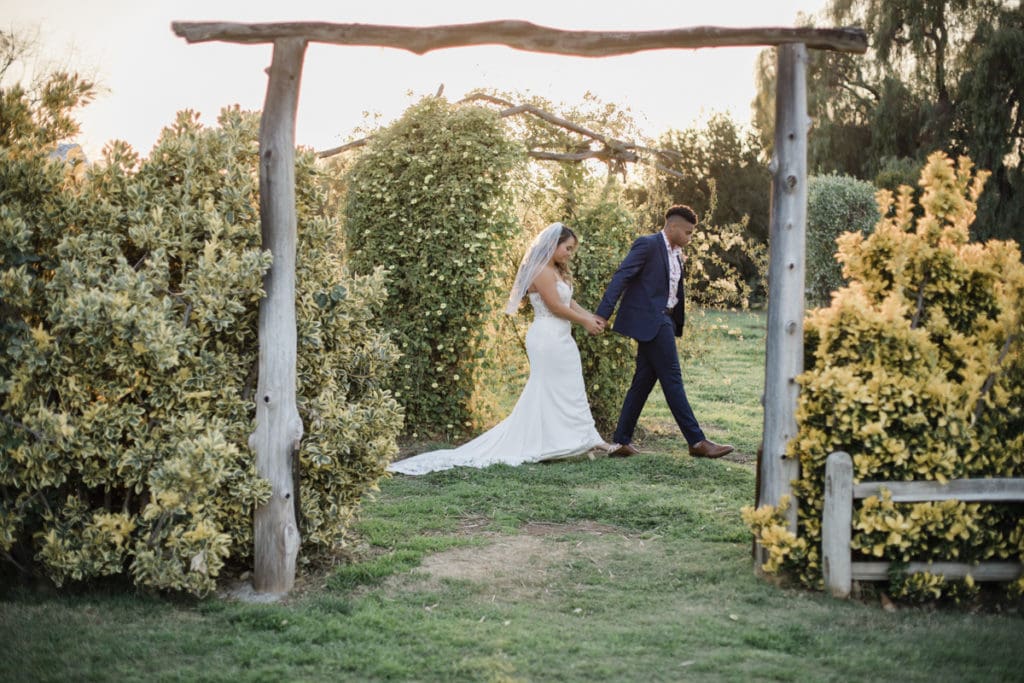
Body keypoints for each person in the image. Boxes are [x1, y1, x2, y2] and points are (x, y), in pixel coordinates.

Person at [388, 223, 612, 476]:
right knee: (546, 387)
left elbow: (568, 301)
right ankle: (554, 440)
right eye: (567, 248)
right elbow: (555, 307)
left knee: (569, 386)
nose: (570, 254)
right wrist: (583, 322)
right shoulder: (540, 271)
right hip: (547, 336)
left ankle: (586, 438)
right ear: (553, 245)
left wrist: (591, 316)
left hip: (562, 336)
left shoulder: (556, 271)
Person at [595, 205, 734, 459]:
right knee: (672, 379)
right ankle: (696, 441)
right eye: (688, 233)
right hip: (653, 321)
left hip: (665, 321)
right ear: (672, 227)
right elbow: (622, 277)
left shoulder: (677, 254)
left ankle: (621, 441)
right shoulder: (647, 245)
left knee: (642, 382)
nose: (690, 238)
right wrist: (603, 314)